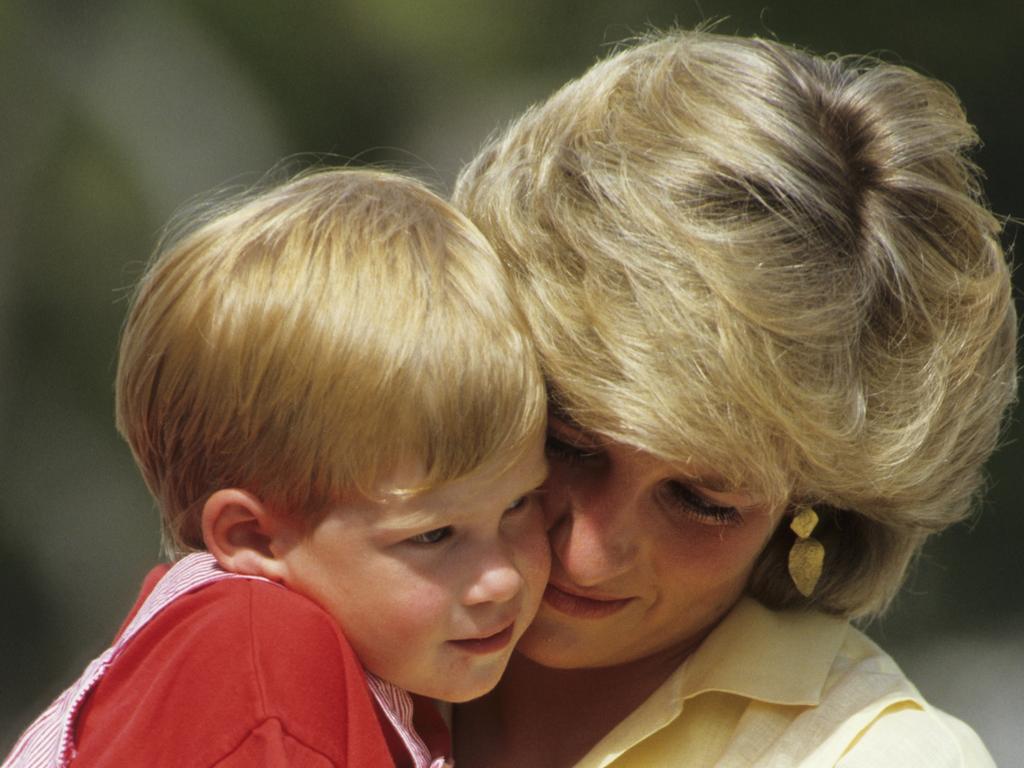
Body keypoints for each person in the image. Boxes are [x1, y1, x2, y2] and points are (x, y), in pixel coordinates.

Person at [451, 29, 1015, 767]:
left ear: (810, 508)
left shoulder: (876, 755)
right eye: (567, 443)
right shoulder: (293, 586)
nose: (587, 554)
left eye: (702, 500)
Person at [3, 169, 551, 768]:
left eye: (520, 504)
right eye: (434, 534)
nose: (502, 578)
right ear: (253, 536)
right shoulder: (259, 668)